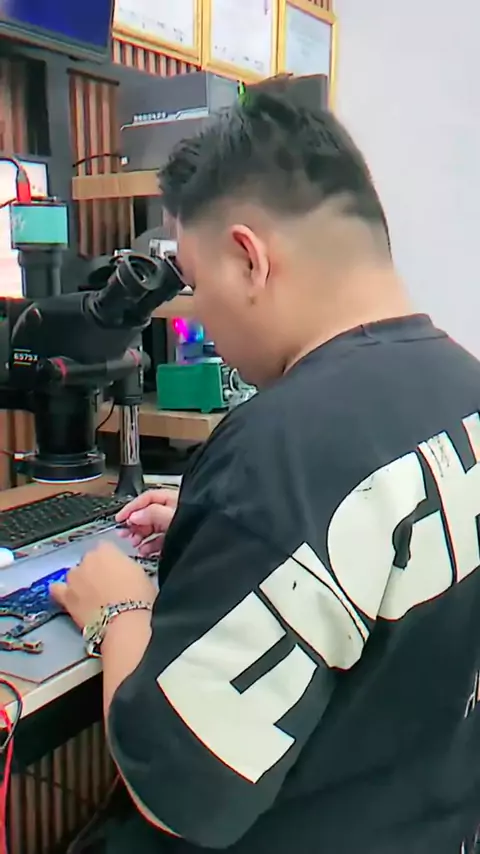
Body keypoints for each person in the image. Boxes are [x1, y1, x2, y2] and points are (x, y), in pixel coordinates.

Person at [51, 81, 480, 854]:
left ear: (249, 257)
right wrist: (233, 532)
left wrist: (118, 608)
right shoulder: (463, 387)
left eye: (196, 285)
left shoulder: (281, 446)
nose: (199, 318)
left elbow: (177, 788)